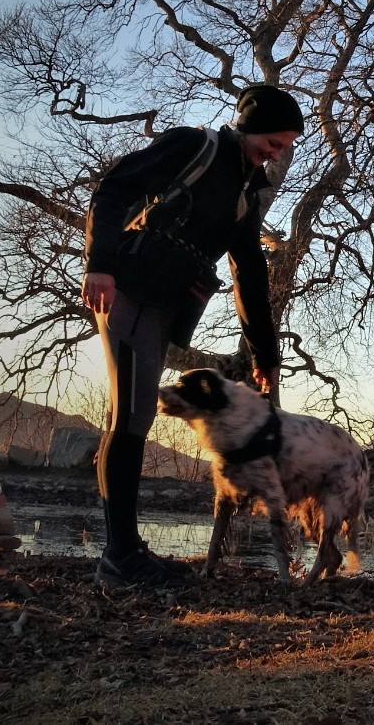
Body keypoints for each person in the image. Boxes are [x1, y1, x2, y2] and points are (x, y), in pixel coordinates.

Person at [80, 84, 305, 590]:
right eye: (274, 140)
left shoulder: (247, 196)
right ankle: (119, 560)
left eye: (287, 144)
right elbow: (114, 189)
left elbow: (249, 271)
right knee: (133, 419)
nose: (279, 151)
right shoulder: (195, 146)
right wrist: (100, 266)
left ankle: (128, 550)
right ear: (249, 126)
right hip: (128, 292)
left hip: (166, 306)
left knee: (131, 419)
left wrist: (266, 356)